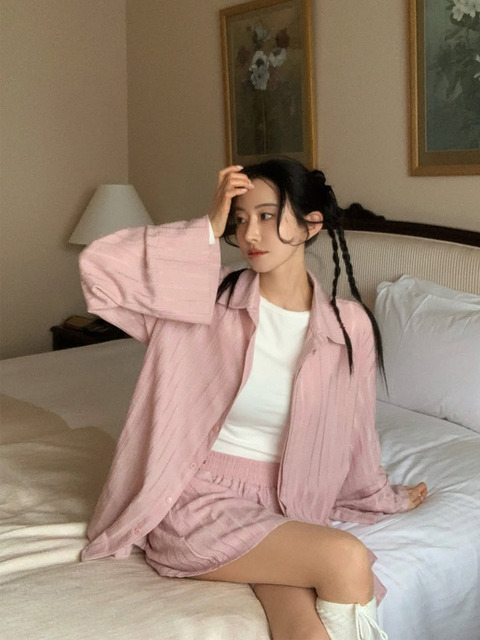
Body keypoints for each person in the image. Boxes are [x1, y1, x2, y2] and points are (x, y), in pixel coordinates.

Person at [79, 158, 428, 640]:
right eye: (239, 219)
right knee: (345, 557)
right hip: (197, 499)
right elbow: (98, 270)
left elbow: (356, 432)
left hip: (289, 501)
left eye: (266, 216)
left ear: (310, 226)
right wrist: (207, 226)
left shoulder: (349, 326)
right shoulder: (202, 299)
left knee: (306, 629)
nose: (249, 234)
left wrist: (381, 497)